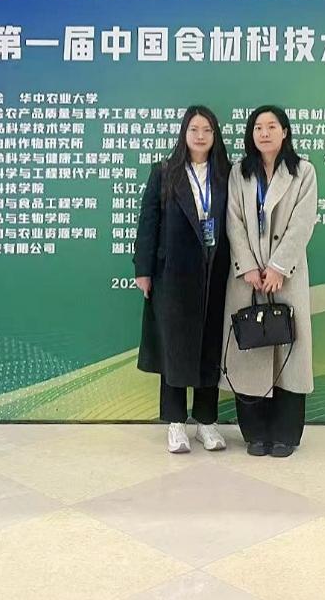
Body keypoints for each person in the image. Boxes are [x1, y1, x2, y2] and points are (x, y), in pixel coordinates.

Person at [134, 105, 232, 454]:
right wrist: (143, 270)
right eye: (194, 129)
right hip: (172, 273)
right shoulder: (165, 172)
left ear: (215, 135)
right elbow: (148, 222)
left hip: (215, 272)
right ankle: (176, 422)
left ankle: (206, 421)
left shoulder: (227, 173)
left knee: (209, 346)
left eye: (207, 129)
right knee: (173, 348)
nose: (200, 136)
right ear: (184, 133)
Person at [222, 105, 318, 458]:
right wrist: (248, 266)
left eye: (271, 126)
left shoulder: (303, 171)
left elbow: (303, 223)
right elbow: (233, 220)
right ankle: (255, 434)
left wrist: (278, 267)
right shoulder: (239, 172)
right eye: (258, 127)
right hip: (247, 278)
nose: (264, 133)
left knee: (288, 356)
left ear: (285, 132)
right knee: (251, 352)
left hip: (286, 277)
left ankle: (285, 435)